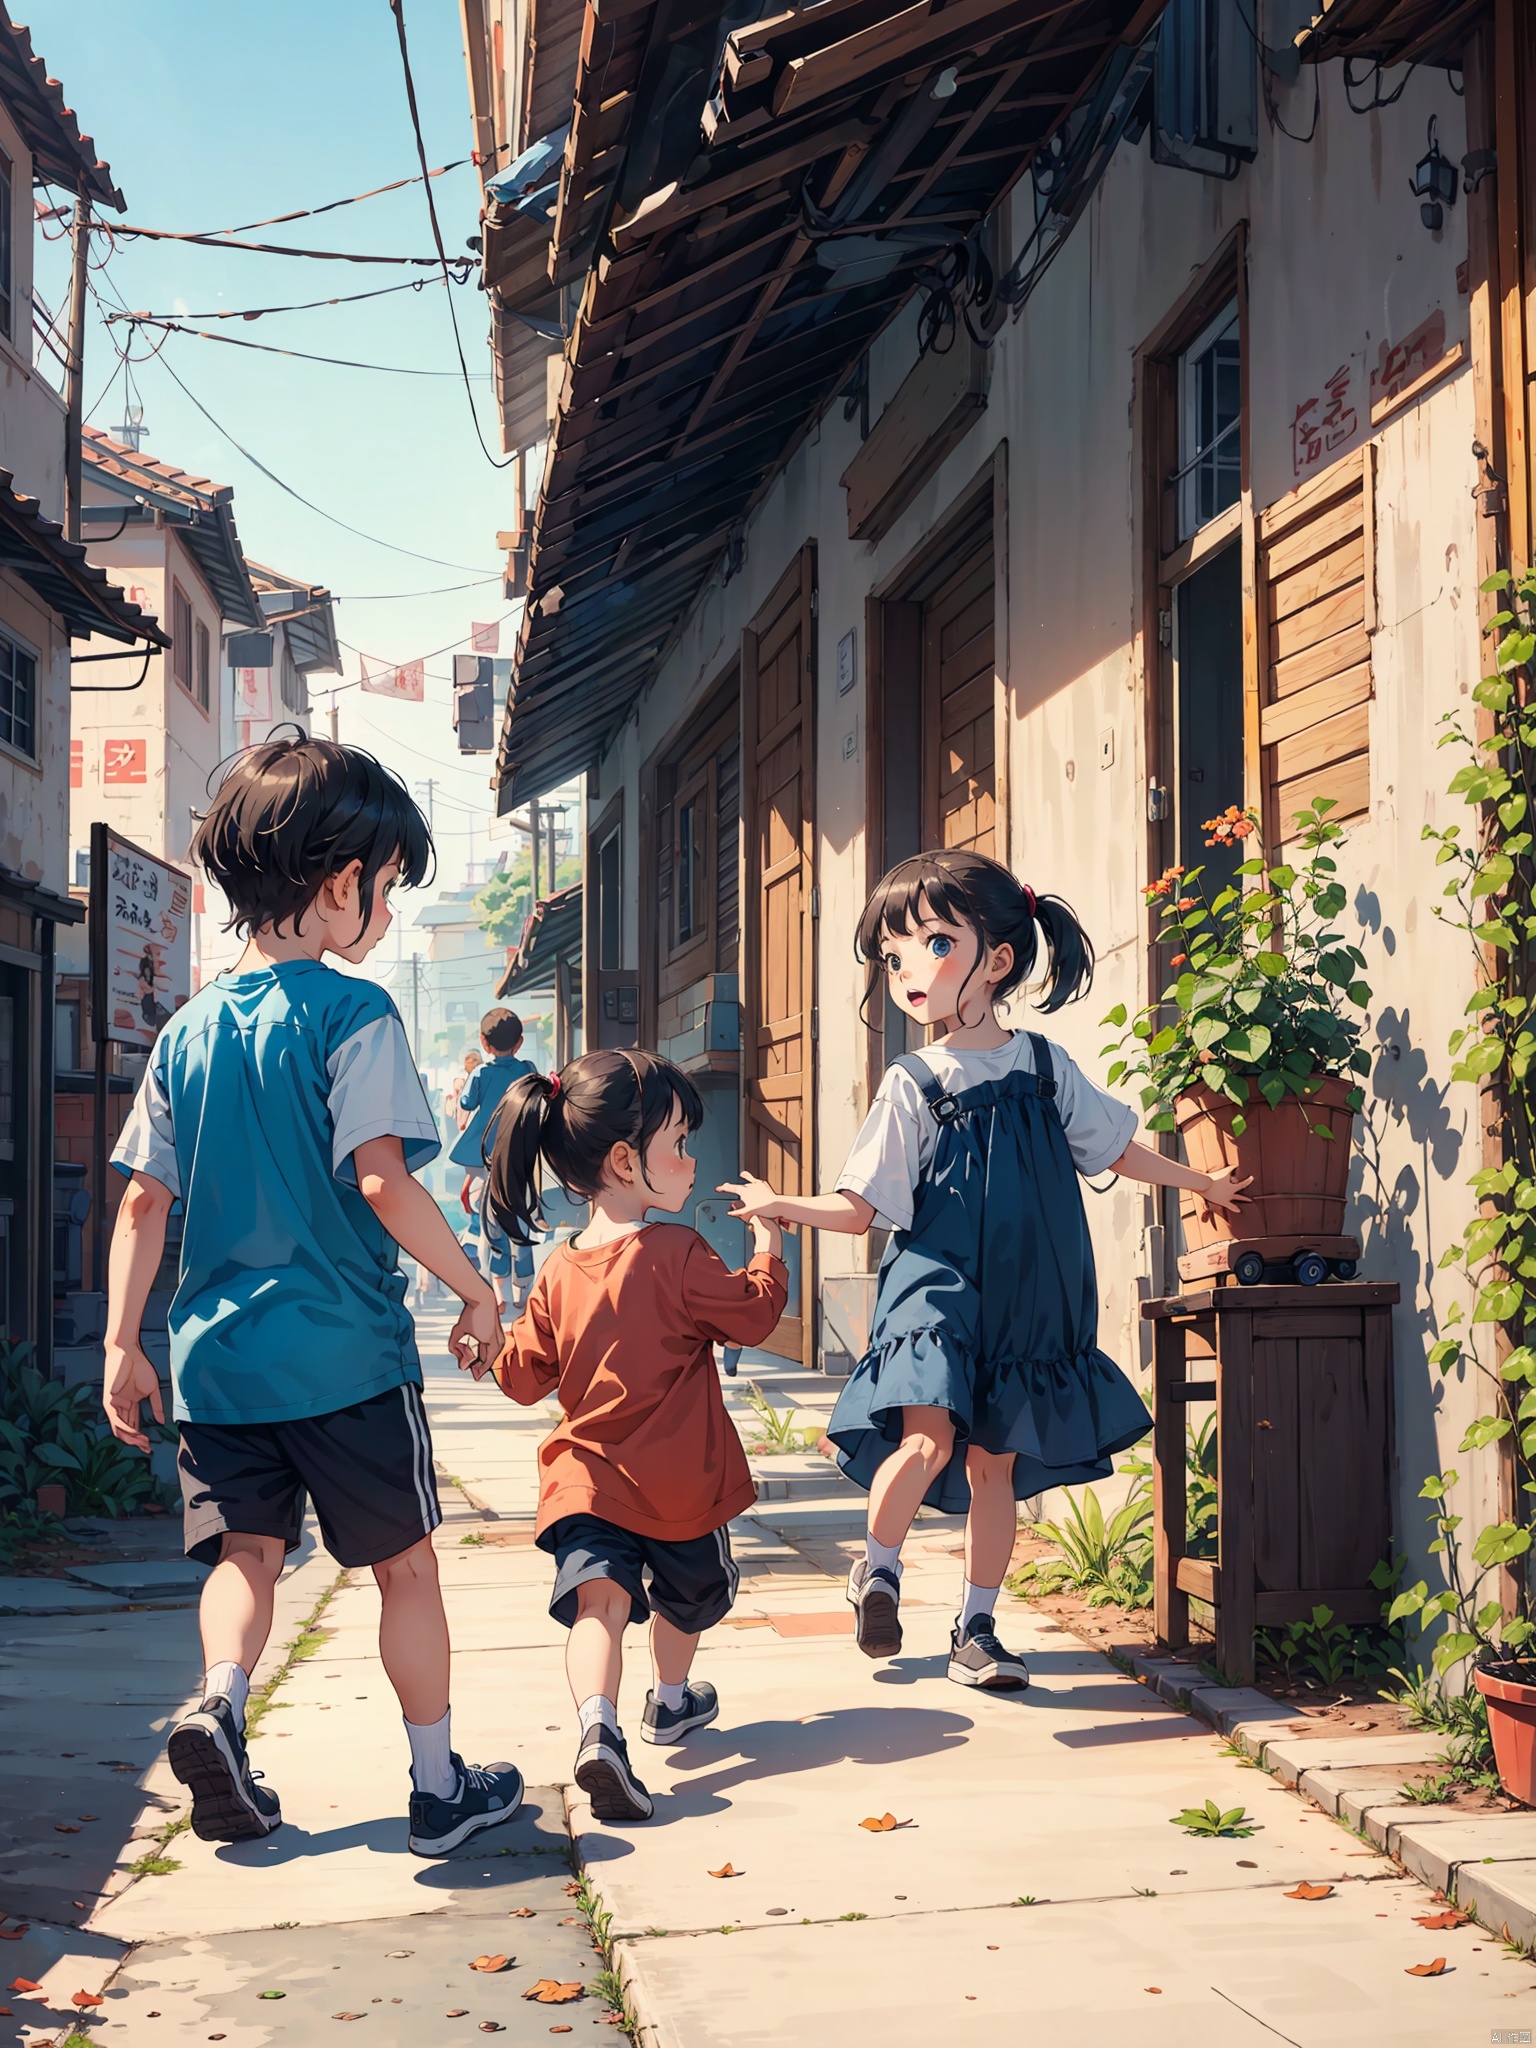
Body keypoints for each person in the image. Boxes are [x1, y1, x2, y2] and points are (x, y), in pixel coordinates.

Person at [100, 735, 523, 1858]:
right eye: (384, 889)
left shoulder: (185, 1032)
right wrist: (476, 1290)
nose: (382, 913)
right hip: (344, 1356)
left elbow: (144, 1203)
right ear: (341, 882)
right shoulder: (354, 1017)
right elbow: (380, 1177)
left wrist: (120, 1348)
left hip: (219, 1364)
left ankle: (222, 1702)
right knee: (405, 1566)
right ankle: (439, 1788)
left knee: (245, 1554)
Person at [721, 848, 1249, 1692]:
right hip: (934, 1296)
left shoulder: (1045, 1068)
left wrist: (1201, 1182)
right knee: (927, 1439)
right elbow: (862, 1205)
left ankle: (976, 1629)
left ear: (998, 959)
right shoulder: (912, 1082)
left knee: (993, 1464)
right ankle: (880, 1570)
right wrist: (785, 1207)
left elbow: (1115, 1147)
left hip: (1029, 1303)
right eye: (891, 958)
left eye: (930, 945)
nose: (905, 973)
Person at [485, 1049, 786, 1822]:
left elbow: (523, 1379)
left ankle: (599, 1727)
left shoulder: (557, 1269)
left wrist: (486, 1345)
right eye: (677, 1145)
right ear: (625, 1160)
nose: (688, 1160)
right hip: (679, 1482)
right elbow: (753, 1314)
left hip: (586, 1480)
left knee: (601, 1606)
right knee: (690, 1596)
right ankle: (672, 1700)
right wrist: (769, 1238)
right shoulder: (678, 1252)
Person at [452, 1009, 536, 1312]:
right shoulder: (527, 1068)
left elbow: (467, 1103)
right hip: (519, 1155)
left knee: (491, 1221)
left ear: (484, 1043)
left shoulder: (481, 1073)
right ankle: (521, 1290)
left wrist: (463, 1088)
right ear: (520, 1041)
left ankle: (498, 1292)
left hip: (485, 1156)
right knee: (520, 1219)